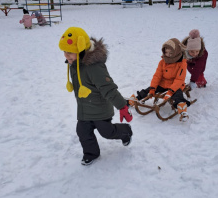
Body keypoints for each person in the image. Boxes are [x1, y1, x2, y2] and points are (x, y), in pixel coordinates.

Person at [58, 27, 133, 166]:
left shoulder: (94, 67)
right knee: (82, 131)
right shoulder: (75, 63)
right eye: (64, 52)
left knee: (107, 132)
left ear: (80, 48)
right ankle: (91, 153)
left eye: (69, 52)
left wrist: (122, 106)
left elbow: (108, 89)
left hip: (100, 109)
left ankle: (125, 131)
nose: (66, 56)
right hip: (84, 109)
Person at [129, 38, 190, 122]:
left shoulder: (182, 63)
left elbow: (179, 79)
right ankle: (136, 98)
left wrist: (170, 92)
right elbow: (157, 76)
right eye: (166, 52)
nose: (168, 55)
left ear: (176, 52)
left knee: (178, 95)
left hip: (175, 85)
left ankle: (182, 111)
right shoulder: (162, 62)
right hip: (163, 83)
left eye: (171, 53)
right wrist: (153, 88)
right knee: (149, 89)